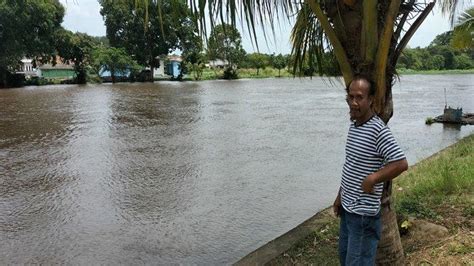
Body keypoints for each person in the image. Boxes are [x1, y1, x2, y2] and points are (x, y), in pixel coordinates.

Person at [333, 76, 408, 265]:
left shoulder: (378, 130)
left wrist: (373, 178)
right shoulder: (355, 125)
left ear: (371, 100)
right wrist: (340, 196)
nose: (354, 102)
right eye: (350, 97)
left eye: (359, 97)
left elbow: (401, 163)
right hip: (348, 209)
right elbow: (351, 165)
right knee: (345, 258)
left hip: (363, 216)